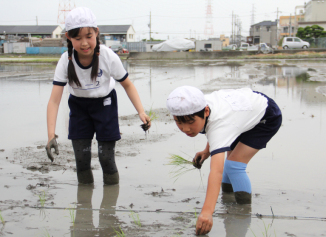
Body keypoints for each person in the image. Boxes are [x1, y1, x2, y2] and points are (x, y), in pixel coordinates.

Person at [45, 7, 150, 185]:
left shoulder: (108, 56)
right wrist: (50, 135)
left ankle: (109, 208)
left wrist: (141, 111)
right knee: (82, 161)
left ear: (96, 33)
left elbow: (127, 84)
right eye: (78, 38)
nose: (84, 43)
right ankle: (84, 207)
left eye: (89, 36)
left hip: (105, 106)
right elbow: (54, 101)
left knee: (106, 159)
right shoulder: (66, 60)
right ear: (69, 37)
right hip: (79, 108)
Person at [166, 86, 282, 235]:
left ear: (205, 111)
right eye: (178, 122)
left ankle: (243, 212)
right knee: (229, 164)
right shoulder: (200, 108)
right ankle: (228, 202)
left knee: (233, 165)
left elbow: (216, 170)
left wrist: (207, 212)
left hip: (265, 116)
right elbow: (213, 127)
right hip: (239, 113)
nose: (185, 128)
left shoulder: (218, 122)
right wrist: (207, 151)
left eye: (190, 122)